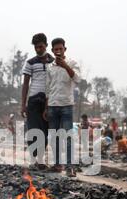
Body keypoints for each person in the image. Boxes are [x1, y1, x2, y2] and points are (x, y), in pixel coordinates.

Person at [44, 38, 81, 177]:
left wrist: (65, 65)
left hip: (66, 105)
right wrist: (45, 108)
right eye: (56, 49)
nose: (58, 51)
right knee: (54, 137)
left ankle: (70, 167)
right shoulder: (49, 67)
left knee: (68, 137)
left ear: (65, 49)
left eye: (61, 49)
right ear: (52, 51)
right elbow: (47, 88)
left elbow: (77, 79)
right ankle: (57, 164)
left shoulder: (72, 63)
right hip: (53, 105)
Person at [21, 33, 55, 169]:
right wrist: (23, 105)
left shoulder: (53, 61)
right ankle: (33, 159)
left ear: (46, 45)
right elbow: (25, 84)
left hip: (49, 100)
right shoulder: (30, 63)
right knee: (33, 130)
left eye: (41, 46)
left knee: (45, 131)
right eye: (36, 47)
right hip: (34, 100)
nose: (39, 49)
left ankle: (41, 160)